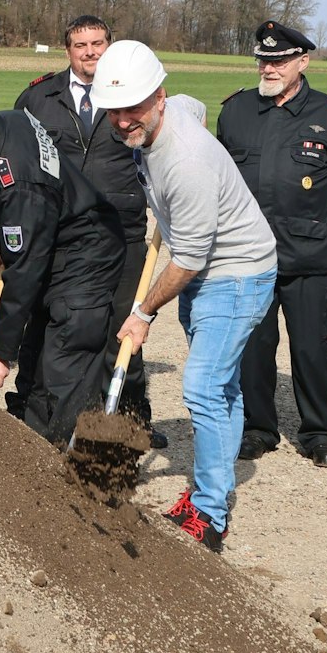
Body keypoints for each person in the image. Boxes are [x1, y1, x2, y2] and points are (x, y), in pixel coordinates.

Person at [99, 41, 277, 553]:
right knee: (221, 389)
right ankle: (211, 485)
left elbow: (190, 258)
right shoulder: (175, 110)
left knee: (201, 387)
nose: (123, 120)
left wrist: (142, 312)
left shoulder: (188, 162)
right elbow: (194, 109)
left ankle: (210, 513)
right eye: (115, 109)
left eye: (134, 107)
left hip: (236, 274)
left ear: (159, 95)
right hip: (207, 269)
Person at [0, 73, 124, 444]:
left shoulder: (18, 178)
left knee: (66, 359)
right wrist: (11, 242)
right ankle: (27, 441)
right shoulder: (9, 121)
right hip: (52, 235)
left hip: (84, 253)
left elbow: (26, 269)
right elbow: (30, 219)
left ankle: (63, 460)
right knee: (34, 360)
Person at [217, 21, 327, 469]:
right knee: (254, 348)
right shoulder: (236, 111)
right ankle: (257, 428)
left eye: (280, 60)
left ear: (303, 61)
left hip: (310, 256)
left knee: (312, 348)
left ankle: (320, 432)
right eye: (264, 59)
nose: (270, 67)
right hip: (251, 256)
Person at [16, 15, 165, 450]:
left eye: (98, 42)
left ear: (109, 45)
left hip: (122, 233)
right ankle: (36, 408)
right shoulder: (40, 98)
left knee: (125, 329)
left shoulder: (130, 95)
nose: (90, 52)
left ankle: (135, 420)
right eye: (80, 44)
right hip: (60, 237)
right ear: (68, 51)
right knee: (52, 327)